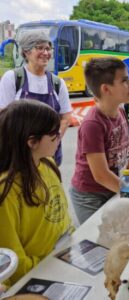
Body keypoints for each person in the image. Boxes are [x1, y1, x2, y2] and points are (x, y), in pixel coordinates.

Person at [70, 57, 129, 225]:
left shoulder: (121, 113)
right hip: (90, 196)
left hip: (114, 186)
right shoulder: (93, 124)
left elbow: (124, 155)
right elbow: (101, 175)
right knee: (101, 239)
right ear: (106, 89)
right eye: (124, 80)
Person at [0, 101, 73, 287]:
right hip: (33, 280)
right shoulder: (6, 190)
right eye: (54, 136)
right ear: (32, 141)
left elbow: (61, 215)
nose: (59, 139)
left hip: (63, 261)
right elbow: (12, 263)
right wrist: (51, 263)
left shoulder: (48, 163)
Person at [0, 31, 72, 166]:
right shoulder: (13, 78)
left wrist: (53, 142)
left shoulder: (57, 83)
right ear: (26, 52)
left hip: (49, 156)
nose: (46, 53)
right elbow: (3, 117)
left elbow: (66, 118)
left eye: (48, 48)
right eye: (39, 48)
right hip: (19, 155)